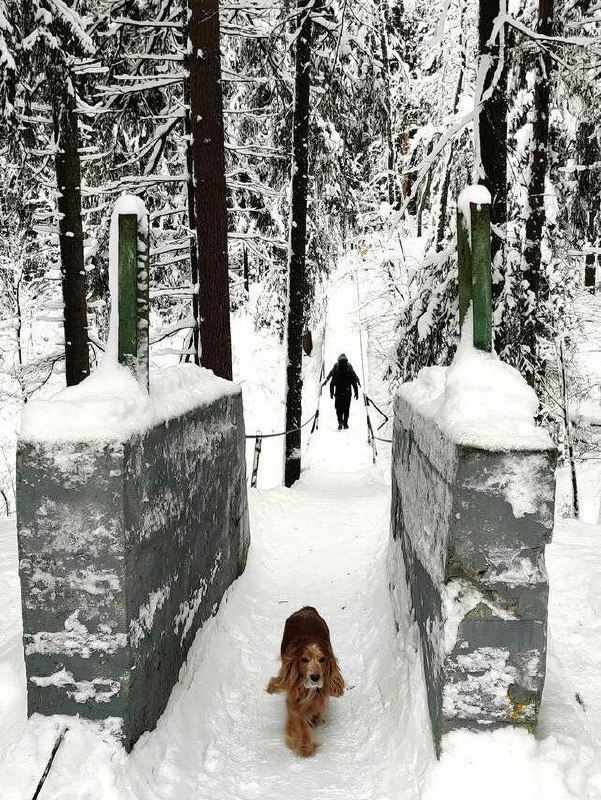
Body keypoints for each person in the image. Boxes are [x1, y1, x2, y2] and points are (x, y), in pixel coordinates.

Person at [324, 353, 360, 430]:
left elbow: (332, 382)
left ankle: (340, 422)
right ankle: (346, 424)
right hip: (347, 391)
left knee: (338, 408)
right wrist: (356, 393)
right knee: (346, 408)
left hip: (338, 391)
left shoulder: (336, 367)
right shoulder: (349, 367)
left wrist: (331, 392)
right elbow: (354, 381)